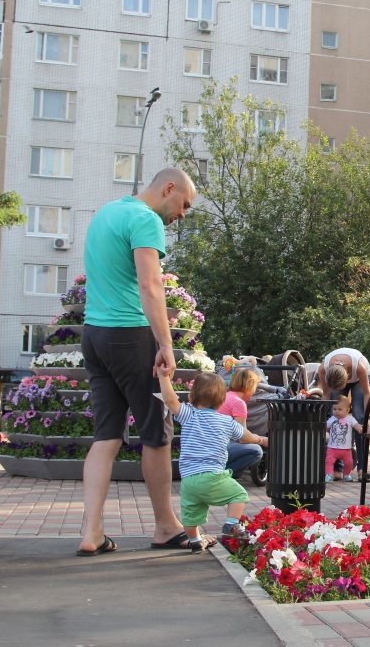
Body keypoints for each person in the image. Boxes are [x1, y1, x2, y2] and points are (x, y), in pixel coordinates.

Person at [78, 167, 198, 556]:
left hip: (94, 336)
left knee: (106, 435)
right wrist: (166, 343)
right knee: (157, 433)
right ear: (168, 188)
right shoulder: (146, 220)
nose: (182, 214)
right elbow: (149, 284)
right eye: (184, 204)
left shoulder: (106, 214)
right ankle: (165, 526)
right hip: (130, 337)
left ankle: (90, 532)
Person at [158, 371, 268, 553]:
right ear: (222, 401)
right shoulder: (227, 422)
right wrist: (261, 440)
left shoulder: (188, 415)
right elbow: (245, 436)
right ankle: (231, 525)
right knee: (239, 496)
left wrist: (163, 377)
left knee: (191, 517)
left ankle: (195, 541)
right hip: (212, 476)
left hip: (188, 480)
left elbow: (170, 401)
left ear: (192, 397)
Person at [318, 348, 370, 480]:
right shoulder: (323, 369)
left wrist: (367, 418)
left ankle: (362, 468)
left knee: (359, 418)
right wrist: (320, 418)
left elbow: (367, 394)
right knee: (335, 416)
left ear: (347, 377)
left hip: (359, 379)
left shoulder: (359, 367)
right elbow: (326, 394)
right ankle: (337, 469)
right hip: (337, 376)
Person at [220, 367, 264, 480]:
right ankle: (225, 476)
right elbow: (242, 437)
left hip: (210, 446)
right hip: (222, 447)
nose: (254, 391)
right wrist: (262, 440)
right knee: (256, 451)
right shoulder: (238, 403)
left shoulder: (225, 396)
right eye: (255, 387)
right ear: (249, 386)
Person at [325, 395, 363, 483]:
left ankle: (347, 475)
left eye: (339, 409)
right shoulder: (332, 419)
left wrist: (359, 428)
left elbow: (356, 425)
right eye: (334, 409)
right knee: (329, 461)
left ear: (347, 410)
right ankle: (329, 474)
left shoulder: (350, 419)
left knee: (349, 462)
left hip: (346, 449)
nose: (336, 412)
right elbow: (326, 427)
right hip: (332, 448)